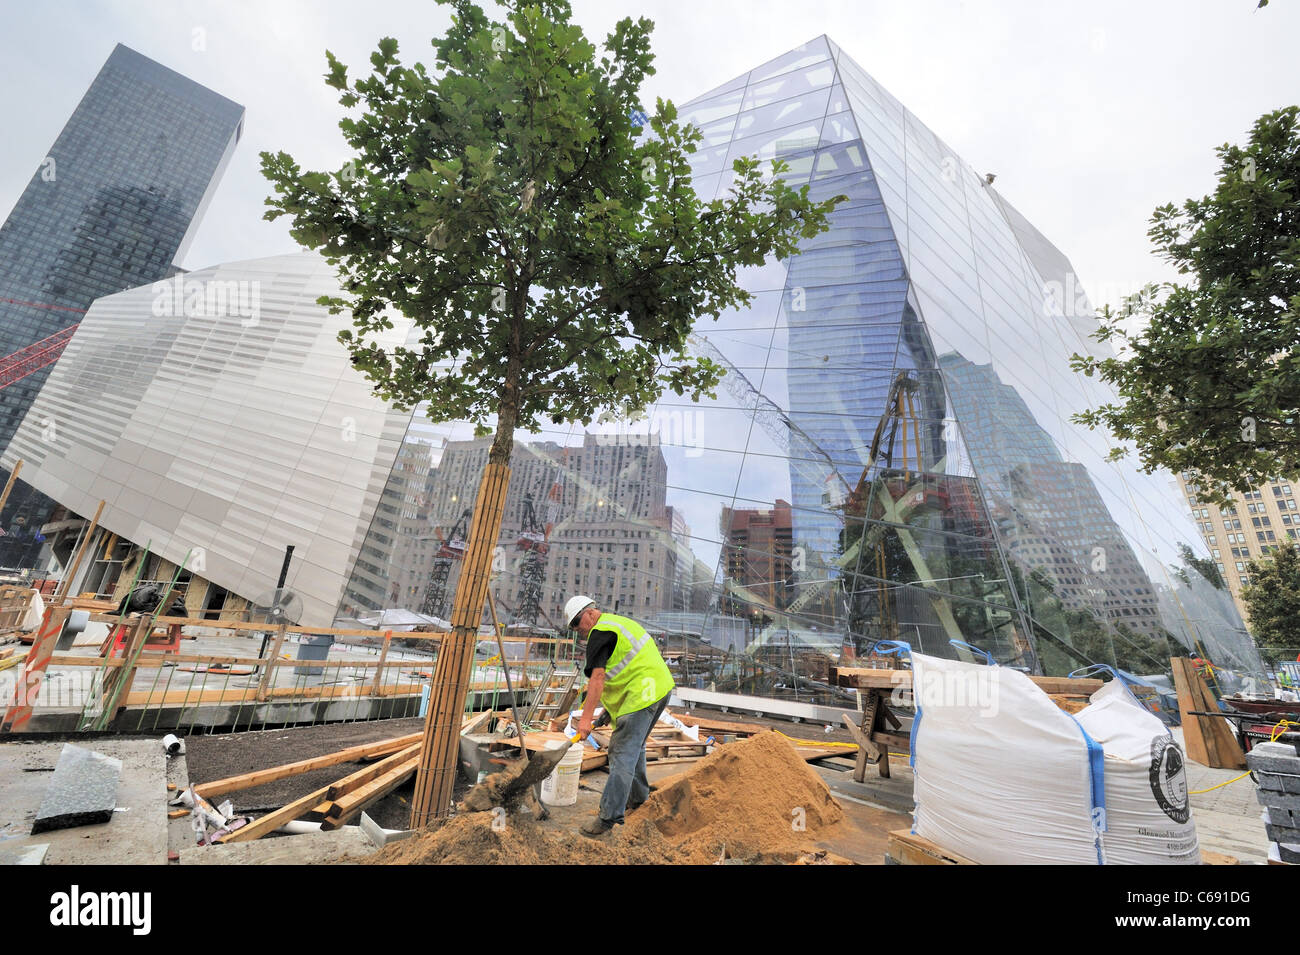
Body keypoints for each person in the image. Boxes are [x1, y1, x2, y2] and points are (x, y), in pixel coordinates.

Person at [565, 594, 675, 837]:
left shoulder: (599, 633)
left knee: (621, 752)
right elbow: (630, 667)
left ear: (590, 613)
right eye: (573, 626)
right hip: (660, 690)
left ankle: (608, 817)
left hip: (642, 695)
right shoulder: (619, 624)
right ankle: (638, 800)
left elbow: (598, 678)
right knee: (635, 747)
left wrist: (584, 720)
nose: (577, 630)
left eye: (577, 622)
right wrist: (606, 712)